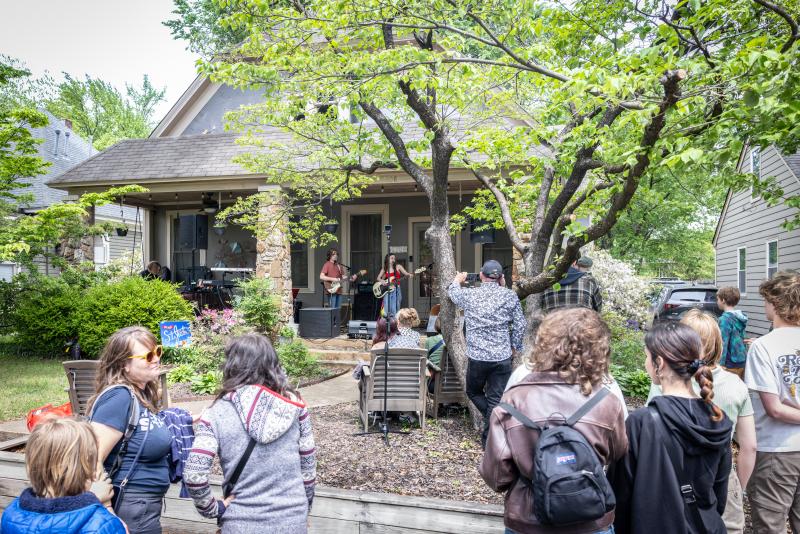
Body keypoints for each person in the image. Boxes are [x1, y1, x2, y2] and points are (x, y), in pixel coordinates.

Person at [480, 307, 628, 534]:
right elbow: (618, 452)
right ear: (598, 349)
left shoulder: (514, 400)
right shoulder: (606, 401)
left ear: (545, 344)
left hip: (528, 521)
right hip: (590, 518)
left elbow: (497, 476)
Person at [185, 333, 316, 533]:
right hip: (292, 520)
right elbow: (308, 471)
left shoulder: (216, 413)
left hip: (240, 522)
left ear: (231, 366)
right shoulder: (295, 407)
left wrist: (213, 509)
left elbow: (194, 474)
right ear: (272, 364)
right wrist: (304, 509)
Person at [610, 322, 733, 534]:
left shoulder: (642, 423)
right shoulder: (718, 419)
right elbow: (719, 496)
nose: (645, 363)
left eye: (647, 357)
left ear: (660, 362)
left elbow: (620, 496)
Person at [647, 309, 756, 534]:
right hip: (720, 475)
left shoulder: (664, 384)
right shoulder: (736, 385)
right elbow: (750, 446)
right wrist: (737, 488)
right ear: (718, 343)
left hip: (671, 476)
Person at [88, 326, 173, 534]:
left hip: (142, 508)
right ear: (125, 365)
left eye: (158, 351)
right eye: (148, 356)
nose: (156, 359)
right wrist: (108, 511)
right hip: (127, 509)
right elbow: (90, 458)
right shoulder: (119, 398)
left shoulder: (140, 395)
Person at [447, 259, 526, 447]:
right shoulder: (509, 296)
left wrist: (457, 279)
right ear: (501, 278)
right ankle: (494, 422)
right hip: (502, 357)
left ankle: (489, 437)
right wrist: (515, 346)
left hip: (478, 357)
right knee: (495, 399)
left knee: (473, 391)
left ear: (481, 276)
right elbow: (520, 324)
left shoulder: (471, 295)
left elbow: (453, 294)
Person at [744, 271, 800, 533]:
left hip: (777, 450)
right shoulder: (763, 344)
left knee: (769, 525)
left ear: (776, 304)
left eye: (766, 300)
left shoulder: (763, 347)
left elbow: (774, 408)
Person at [0, 418, 127, 534]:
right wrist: (105, 505)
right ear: (84, 468)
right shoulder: (100, 523)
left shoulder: (11, 514)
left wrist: (90, 500)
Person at [717, 286, 749, 378]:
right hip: (740, 359)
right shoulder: (739, 317)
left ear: (723, 300)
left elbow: (722, 342)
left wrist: (720, 364)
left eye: (717, 299)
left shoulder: (725, 320)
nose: (717, 301)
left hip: (729, 363)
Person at [377, 254, 414, 318]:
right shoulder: (385, 269)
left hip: (397, 289)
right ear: (387, 259)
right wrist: (382, 281)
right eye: (391, 258)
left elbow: (406, 273)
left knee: (396, 306)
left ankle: (395, 322)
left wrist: (410, 274)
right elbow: (378, 278)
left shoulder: (398, 266)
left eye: (394, 258)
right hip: (387, 290)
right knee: (387, 307)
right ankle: (388, 323)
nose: (393, 260)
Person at [425, 317, 446, 394]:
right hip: (455, 386)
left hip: (434, 385)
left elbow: (425, 361)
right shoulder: (455, 343)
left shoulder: (429, 340)